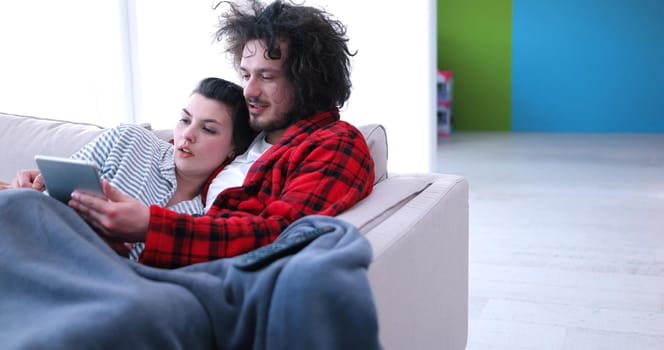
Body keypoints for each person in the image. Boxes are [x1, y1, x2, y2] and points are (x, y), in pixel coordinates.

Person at [3, 0, 375, 269]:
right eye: (246, 74)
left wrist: (149, 225)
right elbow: (175, 160)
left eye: (267, 76)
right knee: (18, 204)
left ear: (308, 80)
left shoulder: (335, 143)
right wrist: (49, 183)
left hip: (193, 282)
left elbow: (278, 233)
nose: (248, 90)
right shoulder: (244, 143)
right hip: (133, 260)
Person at [8, 77, 254, 259]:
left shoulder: (210, 217)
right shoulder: (130, 139)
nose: (187, 135)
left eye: (207, 129)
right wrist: (28, 190)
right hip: (40, 247)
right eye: (185, 120)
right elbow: (48, 194)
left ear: (234, 147)